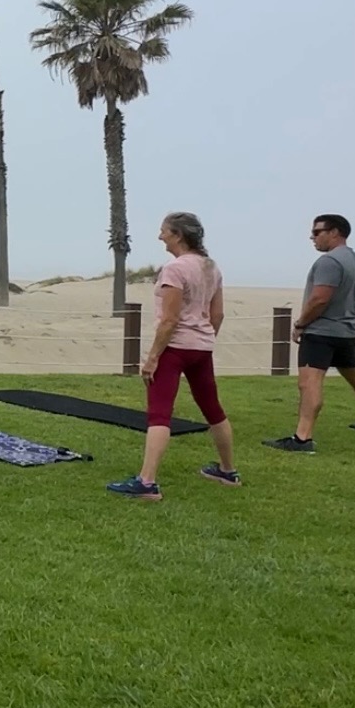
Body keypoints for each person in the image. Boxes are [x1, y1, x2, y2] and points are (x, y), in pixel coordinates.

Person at [108, 212, 240, 499]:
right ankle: (228, 471)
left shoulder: (175, 269)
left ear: (178, 235)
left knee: (159, 413)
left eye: (164, 231)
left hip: (175, 348)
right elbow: (217, 314)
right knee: (213, 409)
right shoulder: (211, 267)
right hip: (201, 349)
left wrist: (153, 358)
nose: (160, 237)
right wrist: (204, 339)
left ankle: (146, 482)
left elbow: (169, 320)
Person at [263, 213, 355, 453]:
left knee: (309, 383)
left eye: (317, 232)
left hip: (321, 333)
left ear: (334, 233)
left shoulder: (329, 262)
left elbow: (320, 299)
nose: (312, 237)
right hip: (346, 332)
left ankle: (302, 439)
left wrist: (301, 323)